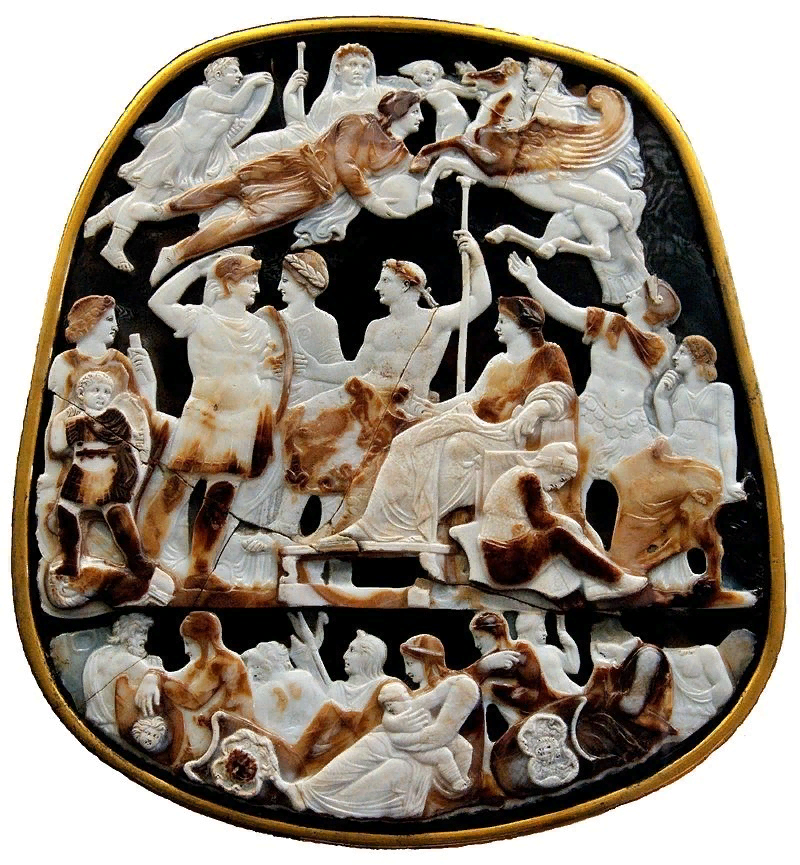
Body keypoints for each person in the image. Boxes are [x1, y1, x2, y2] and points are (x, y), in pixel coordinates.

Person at [319, 296, 577, 570]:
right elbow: (472, 397)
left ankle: (414, 525)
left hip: (507, 435)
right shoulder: (497, 362)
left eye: (503, 321)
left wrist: (533, 410)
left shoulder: (548, 354)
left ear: (521, 324)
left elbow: (562, 391)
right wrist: (434, 409)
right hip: (478, 425)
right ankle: (373, 524)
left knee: (452, 446)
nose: (496, 328)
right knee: (405, 441)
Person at [271, 232, 492, 537]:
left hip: (400, 408)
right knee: (300, 422)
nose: (377, 287)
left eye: (385, 281)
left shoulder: (436, 320)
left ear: (407, 285)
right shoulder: (376, 327)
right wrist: (317, 370)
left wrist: (475, 255)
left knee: (337, 446)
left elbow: (480, 300)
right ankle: (292, 520)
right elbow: (357, 369)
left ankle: (332, 523)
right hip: (363, 398)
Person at [149, 91, 426, 284]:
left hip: (312, 193)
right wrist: (369, 199)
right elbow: (344, 161)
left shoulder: (398, 153)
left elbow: (420, 168)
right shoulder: (358, 122)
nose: (421, 118)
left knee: (242, 224)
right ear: (399, 110)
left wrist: (441, 152)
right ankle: (166, 209)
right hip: (298, 164)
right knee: (232, 186)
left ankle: (175, 253)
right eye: (415, 111)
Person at [139, 251, 281, 589]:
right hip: (205, 413)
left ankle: (200, 569)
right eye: (250, 280)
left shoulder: (259, 328)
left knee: (222, 493)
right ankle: (145, 558)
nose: (256, 288)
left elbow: (256, 368)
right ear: (228, 283)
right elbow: (158, 302)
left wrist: (269, 373)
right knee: (178, 485)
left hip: (244, 415)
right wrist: (197, 268)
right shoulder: (199, 319)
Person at [508, 257, 681, 506]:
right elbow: (565, 311)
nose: (629, 294)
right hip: (594, 417)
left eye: (637, 293)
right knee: (572, 489)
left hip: (630, 428)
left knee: (644, 498)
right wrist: (532, 282)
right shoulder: (613, 325)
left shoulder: (656, 346)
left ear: (649, 306)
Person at [84, 57, 273, 272]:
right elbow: (233, 106)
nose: (240, 76)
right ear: (218, 75)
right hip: (175, 149)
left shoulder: (227, 102)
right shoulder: (201, 94)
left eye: (240, 72)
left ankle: (98, 221)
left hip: (195, 160)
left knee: (155, 196)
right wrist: (252, 83)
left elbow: (222, 134)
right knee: (144, 196)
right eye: (235, 71)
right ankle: (113, 246)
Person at [262, 634, 480, 818]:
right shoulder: (429, 689)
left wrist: (397, 735)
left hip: (433, 757)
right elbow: (406, 711)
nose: (406, 670)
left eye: (411, 663)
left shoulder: (462, 686)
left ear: (428, 662)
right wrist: (392, 724)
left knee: (378, 748)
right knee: (372, 742)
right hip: (409, 744)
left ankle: (311, 796)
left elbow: (440, 735)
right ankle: (306, 790)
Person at [475, 442, 647, 601]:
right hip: (506, 562)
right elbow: (540, 520)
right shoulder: (528, 478)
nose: (558, 486)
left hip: (504, 555)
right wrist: (567, 522)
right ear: (553, 466)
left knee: (564, 534)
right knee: (559, 537)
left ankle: (596, 583)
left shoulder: (520, 474)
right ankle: (614, 580)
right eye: (562, 478)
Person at [46, 371, 156, 605]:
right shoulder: (76, 422)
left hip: (109, 475)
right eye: (96, 390)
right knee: (66, 513)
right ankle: (70, 561)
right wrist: (62, 416)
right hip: (80, 475)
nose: (102, 396)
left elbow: (128, 444)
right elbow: (57, 447)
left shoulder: (115, 417)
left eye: (107, 392)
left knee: (118, 516)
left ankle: (136, 560)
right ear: (81, 394)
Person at [130, 612, 253, 768]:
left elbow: (191, 699)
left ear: (202, 641)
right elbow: (175, 678)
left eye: (188, 643)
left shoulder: (225, 663)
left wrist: (157, 678)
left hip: (225, 733)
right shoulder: (202, 662)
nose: (186, 650)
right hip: (202, 728)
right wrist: (152, 675)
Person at [653, 335, 745, 503]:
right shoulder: (676, 392)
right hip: (678, 462)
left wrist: (730, 481)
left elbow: (726, 435)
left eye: (682, 352)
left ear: (697, 358)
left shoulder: (720, 391)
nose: (675, 357)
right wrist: (660, 398)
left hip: (706, 463)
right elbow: (667, 433)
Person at [378, 681, 470, 793]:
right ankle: (456, 781)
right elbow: (395, 735)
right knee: (444, 754)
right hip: (417, 748)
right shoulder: (391, 720)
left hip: (437, 736)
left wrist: (450, 685)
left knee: (465, 747)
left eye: (391, 704)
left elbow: (434, 696)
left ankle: (463, 775)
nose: (389, 709)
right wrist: (406, 729)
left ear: (402, 698)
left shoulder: (417, 703)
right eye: (386, 705)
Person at [82, 613, 161, 740]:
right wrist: (156, 669)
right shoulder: (131, 661)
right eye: (141, 633)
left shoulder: (97, 654)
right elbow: (164, 684)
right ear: (129, 633)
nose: (145, 639)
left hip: (91, 725)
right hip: (115, 733)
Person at [397, 59, 479, 139]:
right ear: (417, 76)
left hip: (456, 115)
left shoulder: (441, 83)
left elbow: (466, 92)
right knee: (440, 144)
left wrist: (473, 76)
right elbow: (407, 100)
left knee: (447, 143)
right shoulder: (422, 91)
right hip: (441, 119)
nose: (431, 77)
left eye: (434, 74)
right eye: (426, 73)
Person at [515, 611, 582, 696]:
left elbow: (573, 668)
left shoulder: (551, 649)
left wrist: (570, 645)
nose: (546, 634)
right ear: (529, 630)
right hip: (548, 697)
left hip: (570, 691)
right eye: (541, 629)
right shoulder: (522, 655)